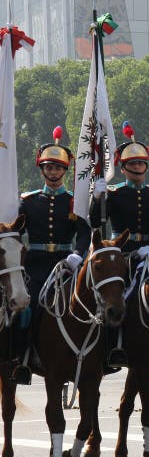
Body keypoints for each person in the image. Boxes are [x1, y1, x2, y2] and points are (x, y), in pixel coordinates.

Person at [12, 127, 90, 385]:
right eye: (49, 168)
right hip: (35, 267)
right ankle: (22, 358)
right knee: (27, 309)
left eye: (58, 168)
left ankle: (96, 356)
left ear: (65, 171)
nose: (53, 172)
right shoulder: (28, 201)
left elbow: (83, 232)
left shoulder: (73, 202)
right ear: (42, 170)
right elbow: (15, 232)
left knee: (90, 304)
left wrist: (78, 255)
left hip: (66, 266)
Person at [90, 121, 149, 368]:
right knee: (117, 298)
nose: (138, 167)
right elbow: (95, 221)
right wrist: (98, 197)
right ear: (123, 169)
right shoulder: (115, 193)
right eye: (132, 164)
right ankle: (115, 345)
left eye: (141, 163)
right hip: (121, 255)